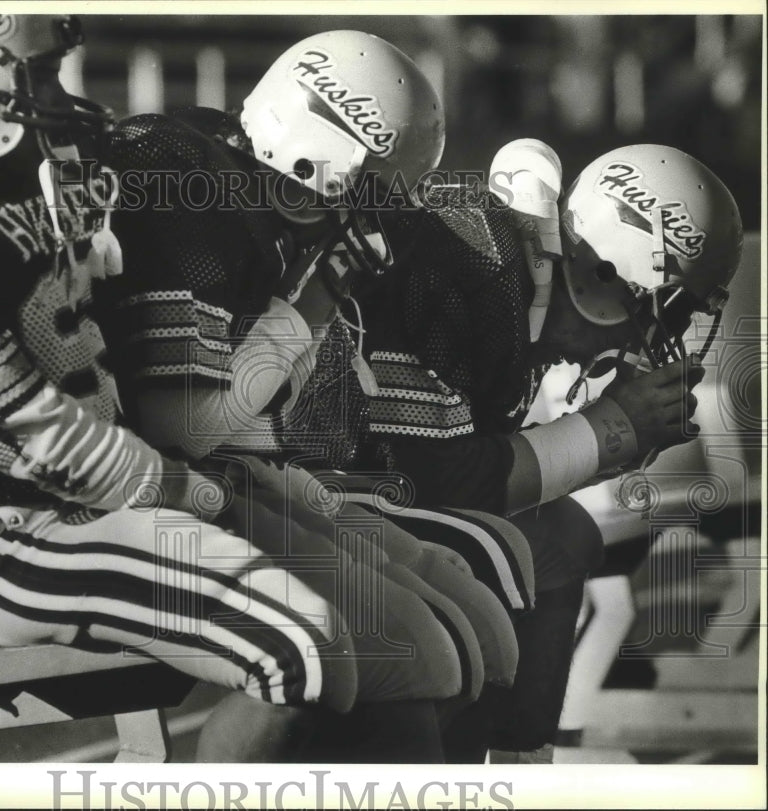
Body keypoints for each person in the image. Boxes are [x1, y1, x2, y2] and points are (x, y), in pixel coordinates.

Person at [0, 14, 472, 764]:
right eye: (41, 75)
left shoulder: (35, 178)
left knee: (417, 652)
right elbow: (26, 432)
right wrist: (197, 492)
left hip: (121, 495)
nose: (63, 97)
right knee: (298, 650)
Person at [88, 30, 533, 760]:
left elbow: (248, 421)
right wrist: (316, 302)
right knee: (414, 655)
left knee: (475, 638)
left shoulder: (248, 197)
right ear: (318, 159)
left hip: (234, 479)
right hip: (157, 491)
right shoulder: (192, 189)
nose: (378, 220)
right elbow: (184, 427)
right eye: (373, 195)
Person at [287, 138, 744, 761]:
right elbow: (441, 483)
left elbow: (462, 467)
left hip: (352, 481)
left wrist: (611, 440)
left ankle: (516, 766)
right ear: (608, 275)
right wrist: (607, 429)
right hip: (285, 472)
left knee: (562, 538)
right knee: (497, 565)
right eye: (674, 307)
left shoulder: (523, 282)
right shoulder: (477, 261)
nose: (669, 334)